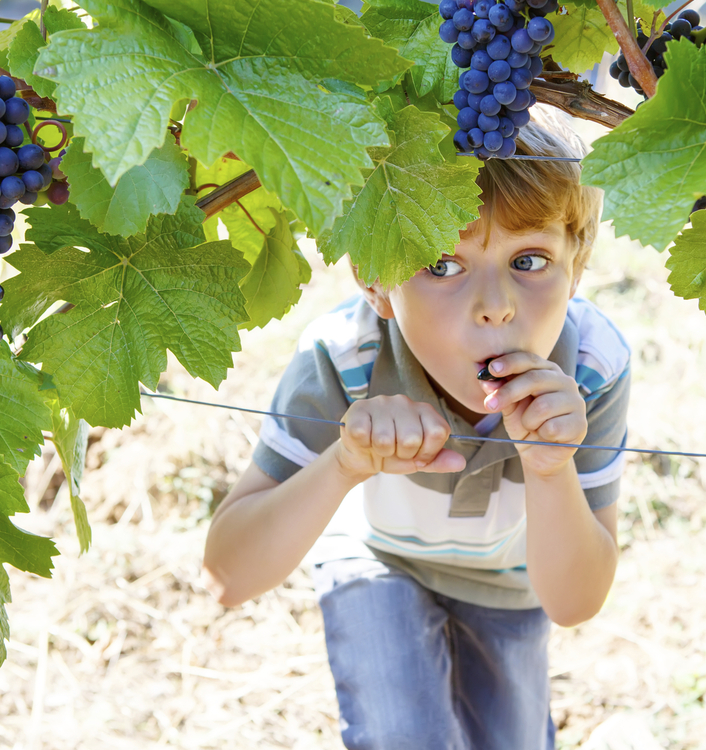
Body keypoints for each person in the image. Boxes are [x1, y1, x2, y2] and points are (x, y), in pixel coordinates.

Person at [201, 106, 630, 750]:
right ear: (376, 282)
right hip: (378, 559)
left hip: (511, 581)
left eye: (530, 260)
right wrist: (344, 463)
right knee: (404, 736)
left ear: (578, 267)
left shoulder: (593, 366)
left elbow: (575, 603)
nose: (495, 307)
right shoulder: (345, 356)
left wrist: (550, 468)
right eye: (441, 264)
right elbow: (227, 576)